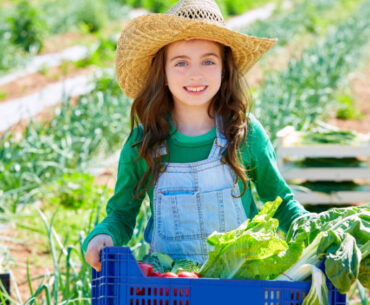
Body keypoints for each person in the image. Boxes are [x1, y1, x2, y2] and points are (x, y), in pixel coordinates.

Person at [83, 0, 308, 271]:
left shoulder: (244, 134)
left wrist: (313, 232)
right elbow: (121, 213)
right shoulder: (144, 143)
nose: (195, 74)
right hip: (171, 288)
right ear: (162, 72)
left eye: (208, 61)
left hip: (241, 284)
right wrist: (102, 236)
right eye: (181, 63)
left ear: (224, 70)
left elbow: (282, 203)